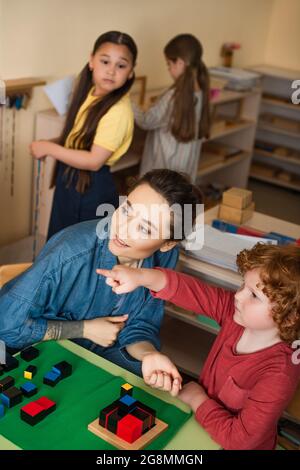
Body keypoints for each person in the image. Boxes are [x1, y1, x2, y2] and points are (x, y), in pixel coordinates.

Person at [0, 169, 202, 377]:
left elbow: (141, 325)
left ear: (168, 244)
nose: (122, 229)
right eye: (126, 211)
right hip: (43, 352)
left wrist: (149, 354)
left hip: (103, 355)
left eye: (144, 229)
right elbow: (7, 326)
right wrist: (84, 329)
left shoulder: (166, 257)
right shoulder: (70, 253)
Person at [99, 243, 300, 450]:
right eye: (243, 286)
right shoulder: (235, 314)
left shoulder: (280, 373)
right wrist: (140, 276)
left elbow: (240, 441)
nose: (238, 296)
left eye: (254, 296)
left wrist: (197, 398)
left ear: (290, 318)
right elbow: (190, 290)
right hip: (199, 424)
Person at [30, 31, 137, 240]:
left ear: (131, 72)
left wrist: (50, 149)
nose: (111, 71)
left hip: (91, 187)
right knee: (59, 240)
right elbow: (80, 140)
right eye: (105, 61)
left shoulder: (118, 111)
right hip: (72, 179)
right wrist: (50, 143)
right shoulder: (91, 92)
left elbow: (94, 161)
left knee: (77, 247)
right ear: (91, 61)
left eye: (121, 65)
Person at [133, 33, 210, 180]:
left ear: (180, 63)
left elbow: (146, 121)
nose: (168, 69)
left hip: (162, 174)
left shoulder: (173, 96)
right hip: (184, 173)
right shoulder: (201, 91)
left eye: (169, 64)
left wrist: (128, 103)